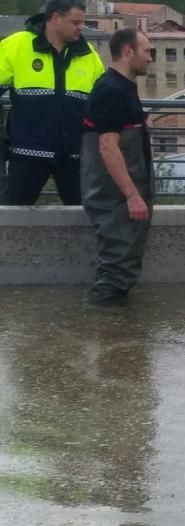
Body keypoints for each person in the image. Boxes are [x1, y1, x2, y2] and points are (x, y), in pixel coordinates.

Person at [0, 0, 104, 205]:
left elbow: (101, 101)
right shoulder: (18, 45)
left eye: (82, 22)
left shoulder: (88, 53)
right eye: (75, 22)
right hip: (27, 153)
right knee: (13, 220)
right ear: (55, 18)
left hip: (74, 155)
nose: (80, 28)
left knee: (83, 218)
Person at [79, 28, 154, 306]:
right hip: (114, 198)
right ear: (127, 51)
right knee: (115, 270)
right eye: (147, 51)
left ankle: (114, 335)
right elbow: (107, 147)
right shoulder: (110, 90)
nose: (150, 58)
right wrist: (132, 194)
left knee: (122, 267)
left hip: (122, 196)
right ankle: (104, 331)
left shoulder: (122, 87)